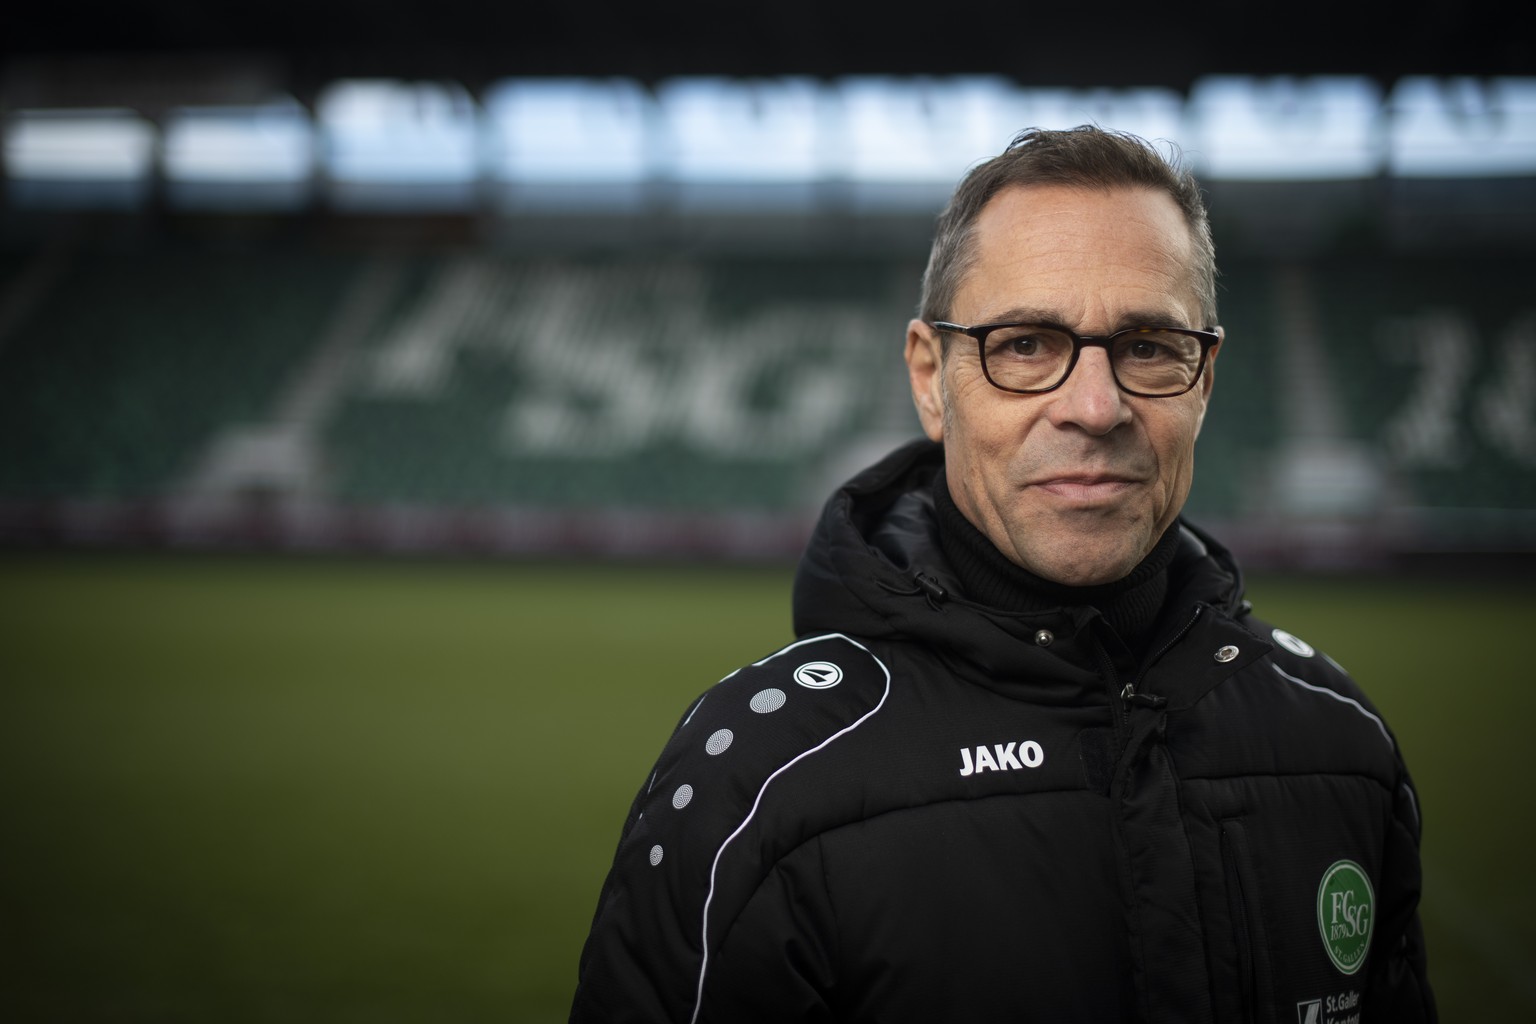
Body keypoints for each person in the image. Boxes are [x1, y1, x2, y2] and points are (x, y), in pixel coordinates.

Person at [570, 126, 1435, 1023]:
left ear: (1204, 379)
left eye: (1147, 345)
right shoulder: (754, 781)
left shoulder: (1344, 747)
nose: (1095, 408)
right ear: (929, 379)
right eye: (1024, 345)